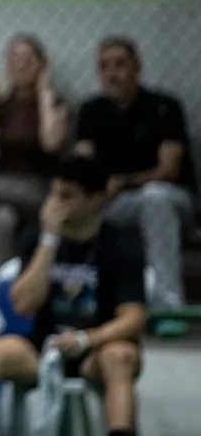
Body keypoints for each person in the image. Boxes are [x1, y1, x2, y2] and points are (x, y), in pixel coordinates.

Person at [0, 155, 146, 436]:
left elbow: (134, 318)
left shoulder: (121, 244)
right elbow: (23, 305)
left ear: (95, 199)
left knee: (121, 357)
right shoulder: (37, 237)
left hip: (97, 347)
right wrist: (49, 241)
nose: (55, 203)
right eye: (53, 194)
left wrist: (85, 339)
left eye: (67, 196)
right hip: (44, 345)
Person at [74, 36, 195, 336]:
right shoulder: (90, 111)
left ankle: (168, 306)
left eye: (120, 65)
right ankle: (85, 305)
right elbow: (82, 167)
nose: (112, 74)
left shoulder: (164, 107)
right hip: (114, 202)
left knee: (155, 198)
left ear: (137, 68)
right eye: (104, 67)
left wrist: (123, 182)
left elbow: (169, 169)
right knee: (78, 206)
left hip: (171, 198)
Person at [0, 35, 68, 296]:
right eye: (14, 58)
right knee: (1, 221)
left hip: (41, 191)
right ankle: (0, 296)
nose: (20, 65)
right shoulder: (3, 105)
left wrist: (44, 93)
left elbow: (51, 142)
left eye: (28, 59)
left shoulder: (56, 103)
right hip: (3, 194)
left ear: (42, 65)